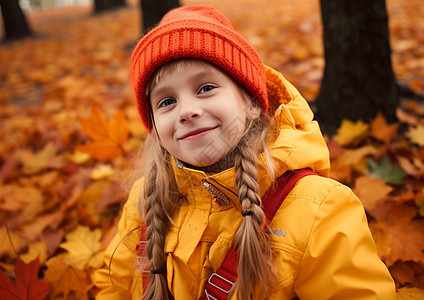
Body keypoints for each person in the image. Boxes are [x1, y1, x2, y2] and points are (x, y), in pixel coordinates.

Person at [92, 5, 397, 300]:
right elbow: (115, 286)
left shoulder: (317, 209)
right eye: (166, 102)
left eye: (205, 88)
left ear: (251, 104)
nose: (187, 111)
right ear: (155, 127)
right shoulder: (144, 201)